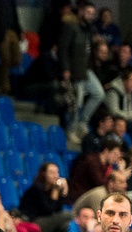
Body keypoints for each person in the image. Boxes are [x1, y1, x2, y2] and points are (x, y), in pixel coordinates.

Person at [59, 2, 104, 142]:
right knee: (76, 103)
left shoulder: (89, 29)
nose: (91, 16)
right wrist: (65, 68)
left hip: (86, 69)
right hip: (74, 70)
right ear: (81, 12)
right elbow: (63, 49)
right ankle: (71, 130)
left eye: (93, 14)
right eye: (88, 13)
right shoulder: (70, 27)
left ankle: (82, 122)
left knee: (99, 93)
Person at [19, 162, 72, 232]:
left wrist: (64, 192)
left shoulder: (52, 189)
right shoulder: (37, 189)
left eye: (57, 172)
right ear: (44, 174)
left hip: (48, 221)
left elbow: (58, 209)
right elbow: (49, 210)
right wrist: (55, 191)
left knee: (66, 225)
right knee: (69, 215)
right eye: (52, 173)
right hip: (34, 222)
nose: (56, 176)